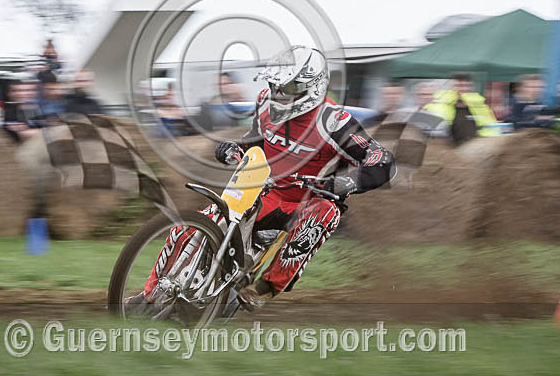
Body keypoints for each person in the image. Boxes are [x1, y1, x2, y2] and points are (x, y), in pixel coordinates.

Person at [134, 46, 395, 310]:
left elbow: (381, 159)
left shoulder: (334, 122)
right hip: (265, 190)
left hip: (308, 201)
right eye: (274, 85)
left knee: (326, 212)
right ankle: (149, 295)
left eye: (287, 88)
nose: (278, 94)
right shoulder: (265, 104)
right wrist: (234, 148)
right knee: (190, 227)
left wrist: (344, 183)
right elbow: (256, 141)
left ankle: (266, 287)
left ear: (312, 87)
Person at [425, 73, 498, 145]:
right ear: (453, 87)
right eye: (458, 85)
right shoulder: (442, 102)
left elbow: (490, 128)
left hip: (474, 146)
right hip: (447, 146)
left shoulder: (479, 104)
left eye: (466, 86)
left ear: (471, 87)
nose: (462, 89)